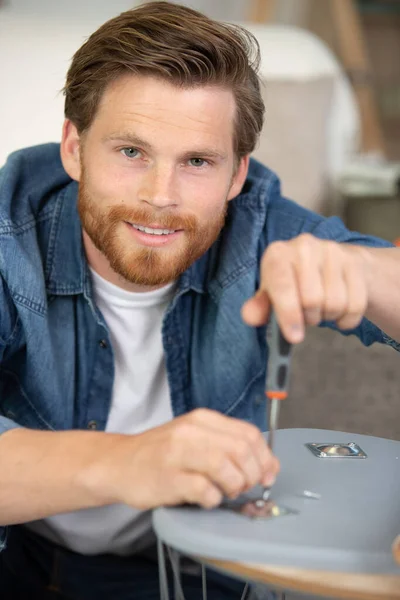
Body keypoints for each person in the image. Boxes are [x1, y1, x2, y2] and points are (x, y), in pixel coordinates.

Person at [0, 2, 399, 598]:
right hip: (28, 557)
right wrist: (129, 462)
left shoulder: (260, 226)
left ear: (237, 175)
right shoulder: (11, 235)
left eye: (197, 162)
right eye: (131, 152)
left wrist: (365, 270)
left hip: (207, 563)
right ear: (74, 148)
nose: (160, 196)